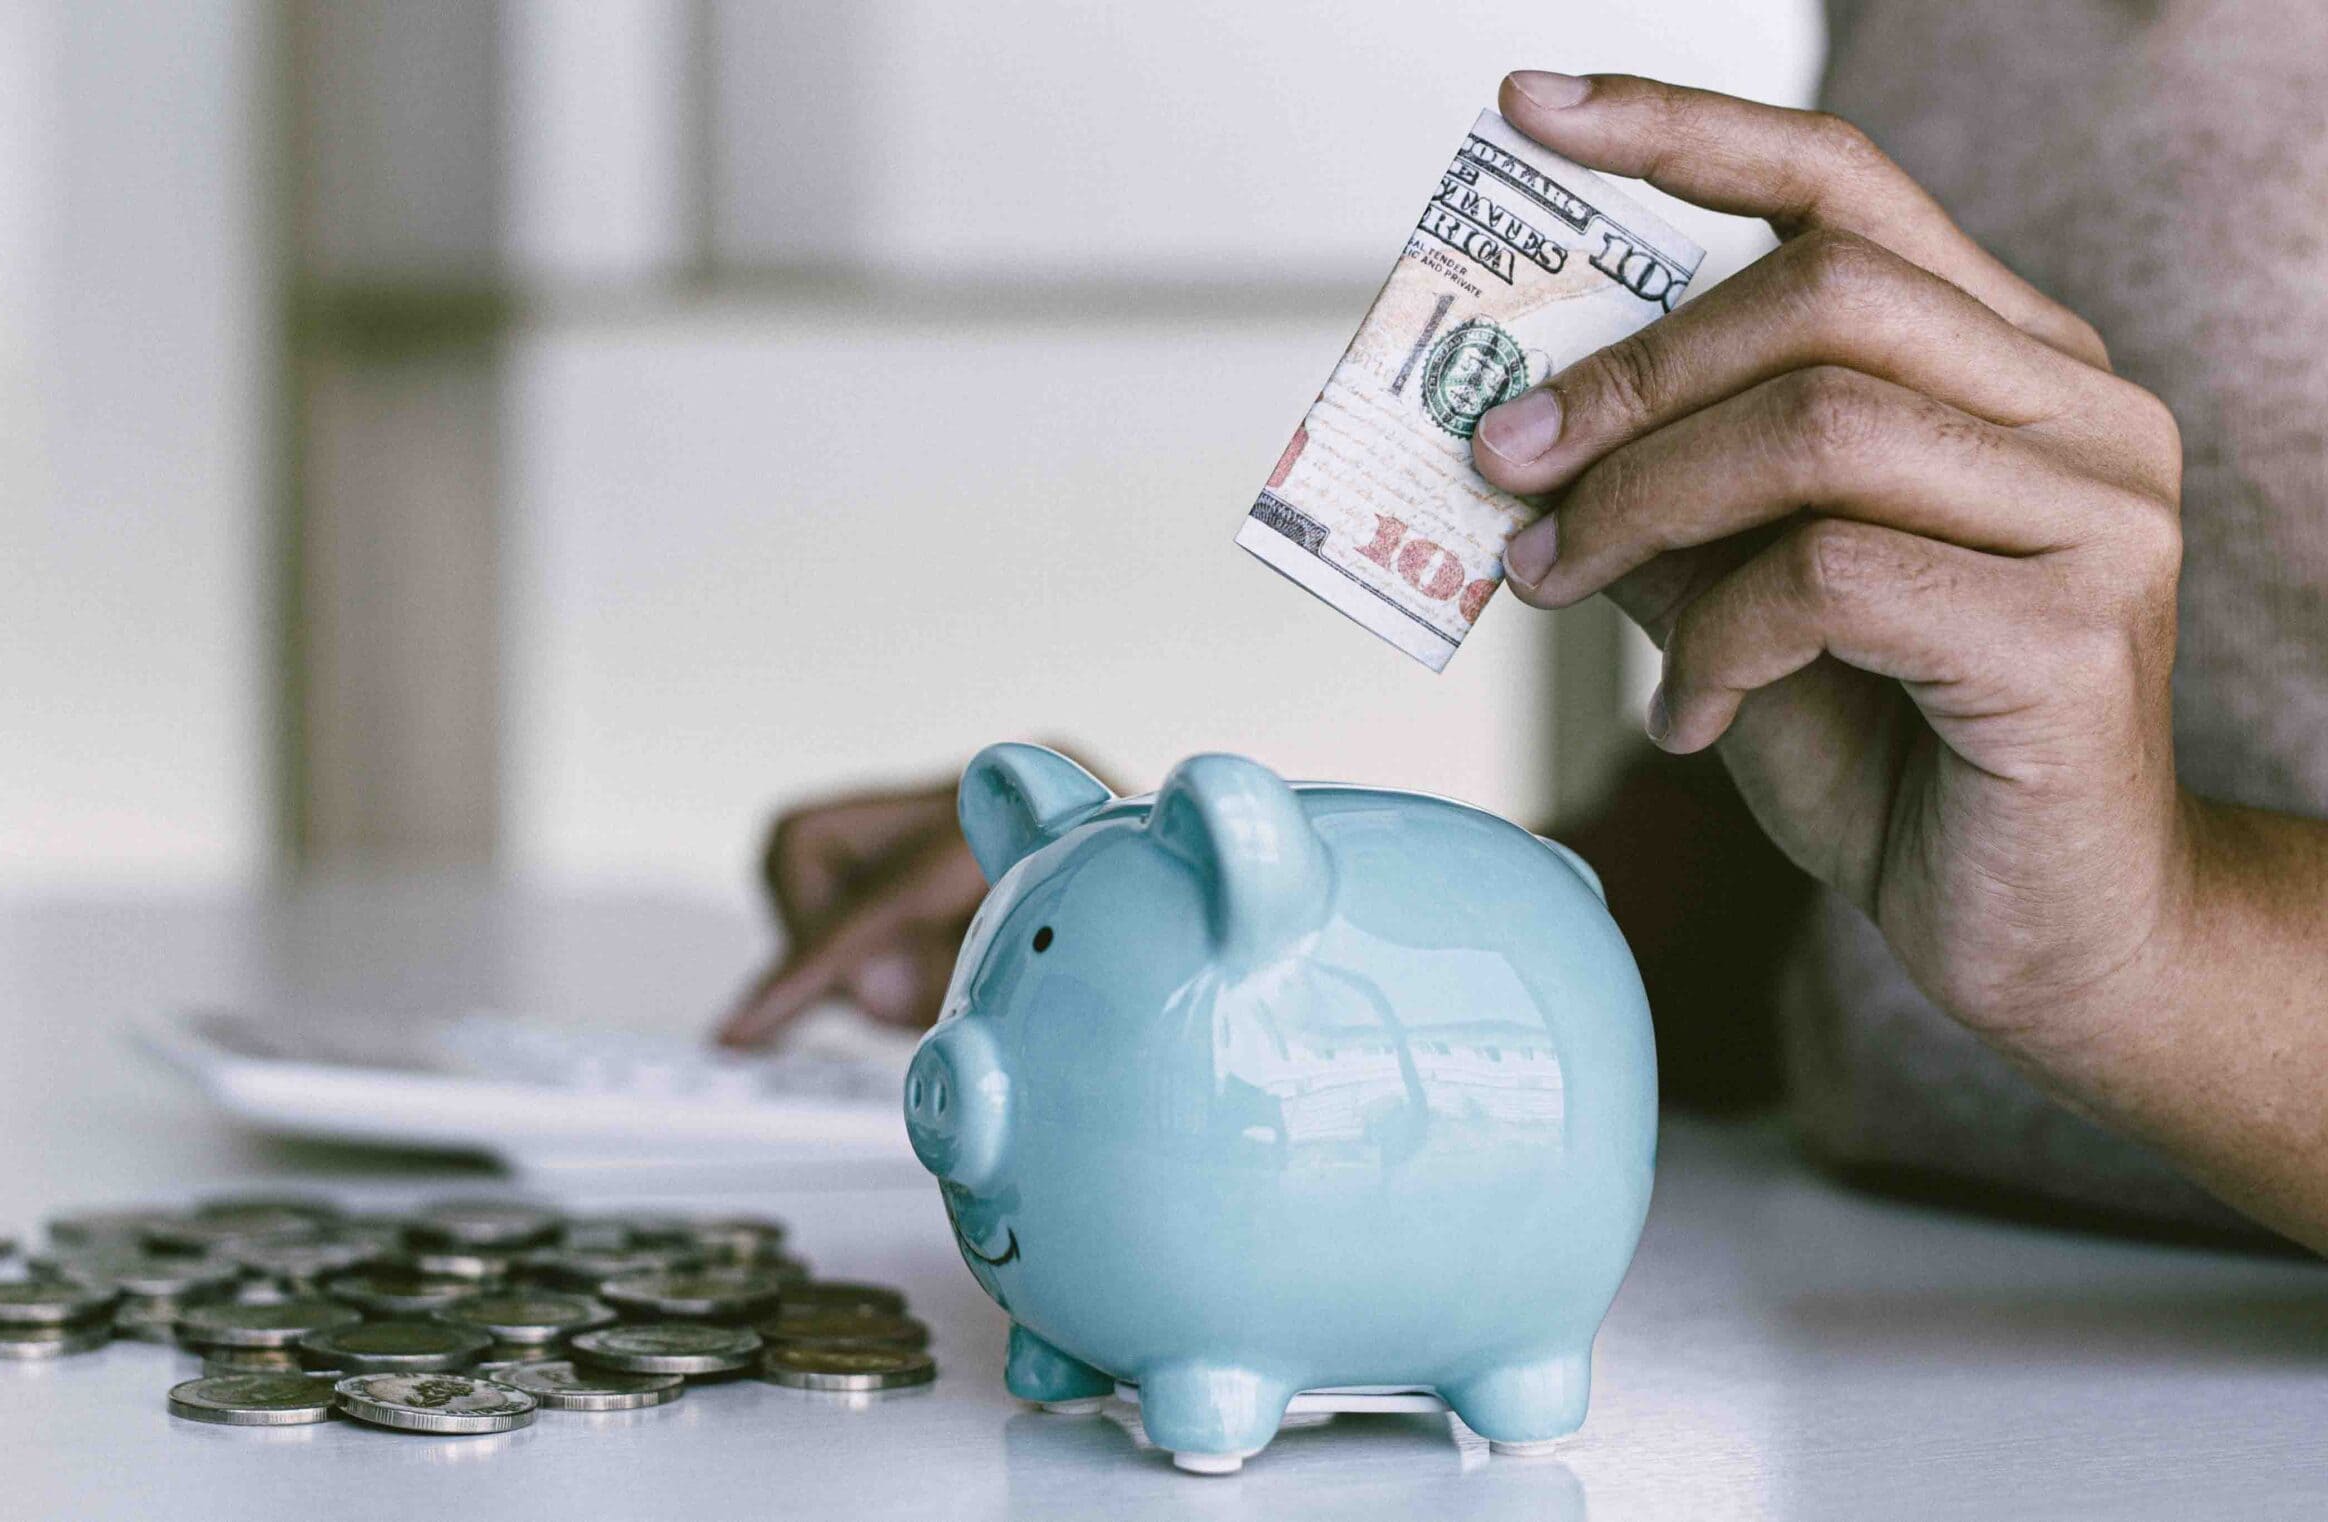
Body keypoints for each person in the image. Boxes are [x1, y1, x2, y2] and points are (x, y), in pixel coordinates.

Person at [717, 7, 2328, 1256]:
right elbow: (1816, 842)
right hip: (1835, 1317)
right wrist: (1196, 925)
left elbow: (2089, 883)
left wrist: (2152, 945)